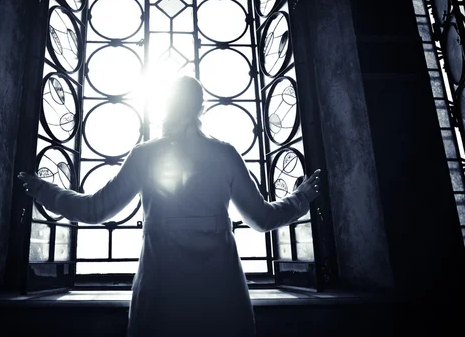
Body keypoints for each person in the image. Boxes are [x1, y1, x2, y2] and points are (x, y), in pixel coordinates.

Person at [18, 76, 321, 337]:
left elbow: (95, 210)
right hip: (221, 295)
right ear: (201, 108)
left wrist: (45, 190)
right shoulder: (226, 155)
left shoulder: (145, 155)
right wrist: (301, 197)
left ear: (165, 107)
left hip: (162, 293)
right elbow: (262, 219)